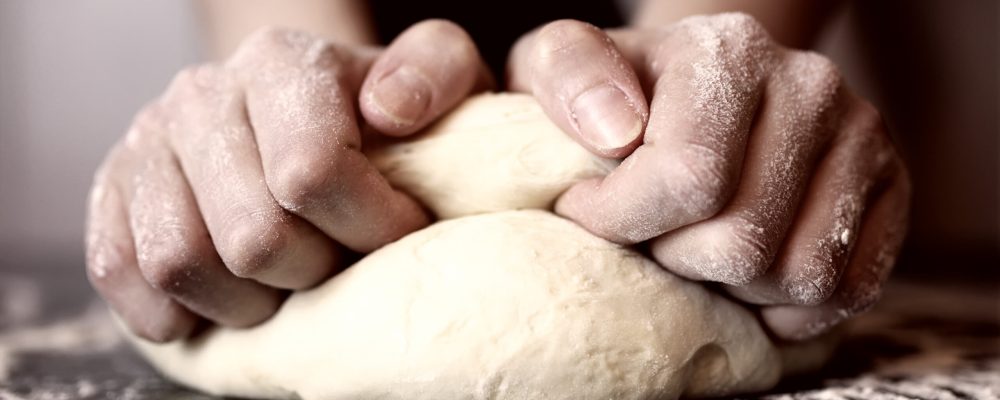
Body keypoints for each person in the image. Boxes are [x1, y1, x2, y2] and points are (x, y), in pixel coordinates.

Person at [85, 0, 910, 343]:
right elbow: (289, 77)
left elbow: (706, 93)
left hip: (641, 158)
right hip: (362, 166)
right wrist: (277, 112)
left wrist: (711, 93)